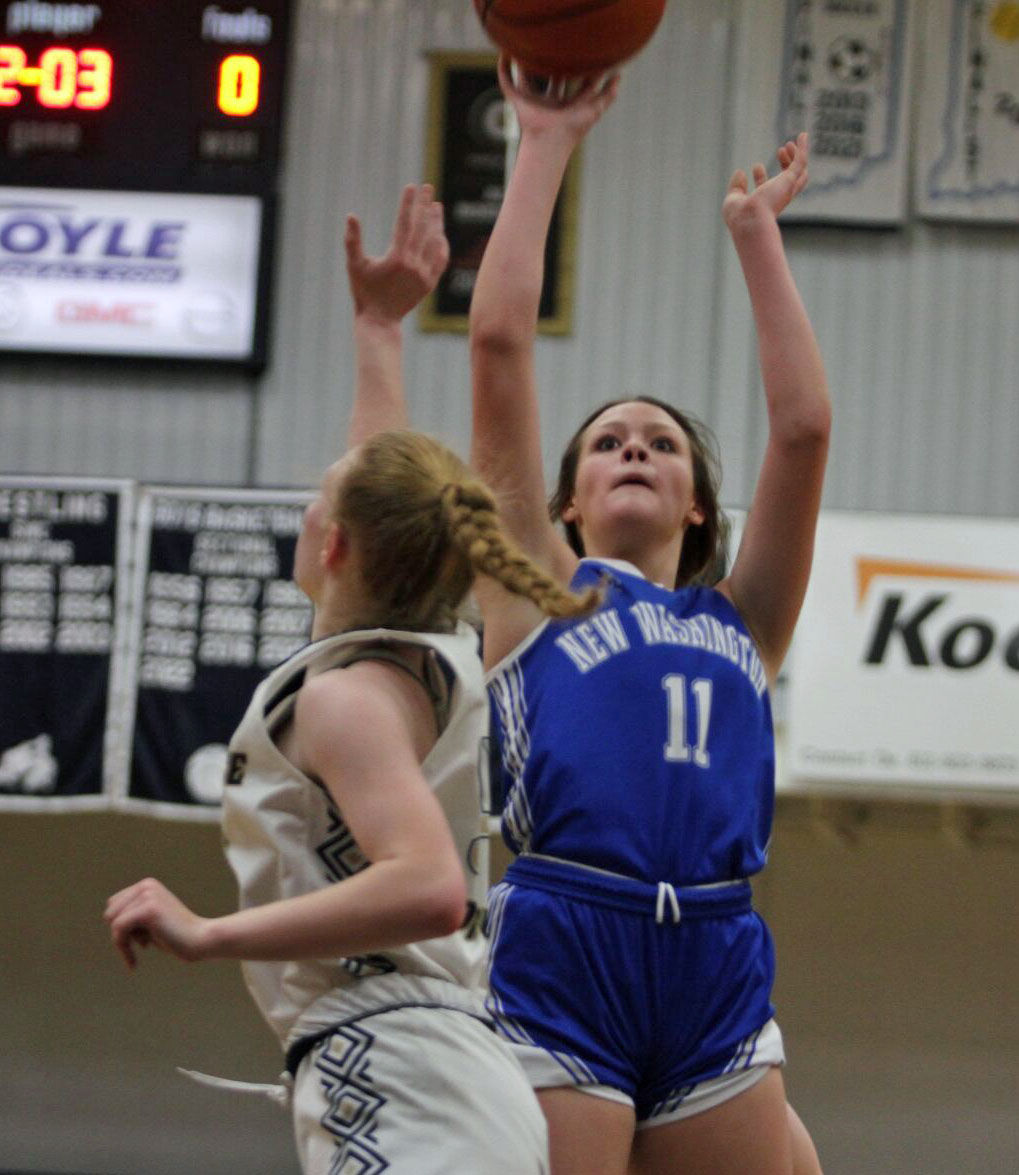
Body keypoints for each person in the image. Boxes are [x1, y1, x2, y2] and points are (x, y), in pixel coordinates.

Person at [104, 184, 597, 1174]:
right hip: (438, 1062)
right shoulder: (405, 656)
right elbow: (380, 480)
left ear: (334, 543)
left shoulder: (345, 699)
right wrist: (379, 329)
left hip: (400, 1060)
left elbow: (421, 884)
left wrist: (210, 933)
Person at [468, 62, 830, 1175]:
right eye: (608, 440)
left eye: (660, 442)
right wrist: (541, 143)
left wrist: (753, 234)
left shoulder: (742, 619)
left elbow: (803, 429)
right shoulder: (534, 587)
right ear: (564, 500)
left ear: (698, 503)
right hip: (565, 937)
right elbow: (495, 346)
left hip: (715, 944)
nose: (633, 445)